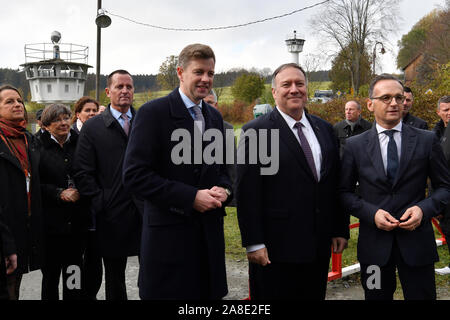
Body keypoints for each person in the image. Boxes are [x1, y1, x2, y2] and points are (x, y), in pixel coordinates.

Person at [123, 44, 232, 300]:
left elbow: (224, 171)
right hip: (168, 243)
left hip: (208, 243)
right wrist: (191, 197)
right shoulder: (153, 113)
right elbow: (134, 175)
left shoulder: (215, 119)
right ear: (181, 72)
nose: (206, 79)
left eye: (211, 73)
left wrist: (225, 190)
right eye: (199, 72)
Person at [236, 63, 349, 300]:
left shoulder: (325, 129)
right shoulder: (256, 132)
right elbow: (247, 193)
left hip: (318, 248)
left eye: (300, 83)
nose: (294, 89)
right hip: (275, 250)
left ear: (307, 89)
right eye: (286, 84)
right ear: (275, 92)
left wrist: (340, 228)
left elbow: (333, 185)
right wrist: (253, 242)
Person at [339, 74, 450, 300]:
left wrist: (423, 209)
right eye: (386, 97)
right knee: (376, 296)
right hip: (374, 247)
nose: (394, 103)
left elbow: (445, 188)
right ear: (370, 104)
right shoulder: (355, 146)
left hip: (418, 246)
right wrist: (372, 213)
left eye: (399, 98)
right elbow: (343, 193)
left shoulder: (427, 140)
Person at [74, 70, 143, 300]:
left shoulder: (146, 122)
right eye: (119, 86)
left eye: (129, 87)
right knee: (115, 277)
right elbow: (83, 172)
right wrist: (100, 201)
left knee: (153, 272)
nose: (125, 91)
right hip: (111, 213)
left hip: (146, 211)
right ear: (108, 91)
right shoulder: (93, 128)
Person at [38, 104, 89, 300]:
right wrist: (57, 193)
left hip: (76, 223)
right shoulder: (36, 145)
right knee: (50, 277)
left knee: (73, 273)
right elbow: (33, 185)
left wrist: (81, 191)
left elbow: (90, 173)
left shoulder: (80, 142)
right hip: (50, 225)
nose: (63, 123)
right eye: (57, 120)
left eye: (66, 118)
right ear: (46, 125)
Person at [0, 84, 44, 300]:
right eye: (9, 102)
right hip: (3, 230)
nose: (17, 104)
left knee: (14, 287)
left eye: (18, 100)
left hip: (23, 228)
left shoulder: (29, 139)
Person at [204, 89, 236, 207]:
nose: (206, 106)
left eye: (209, 102)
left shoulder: (226, 128)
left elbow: (231, 164)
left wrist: (230, 194)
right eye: (202, 102)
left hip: (219, 190)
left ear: (216, 105)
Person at [433, 95, 450, 275]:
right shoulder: (435, 133)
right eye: (445, 110)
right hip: (442, 191)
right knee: (446, 227)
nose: (449, 113)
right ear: (438, 112)